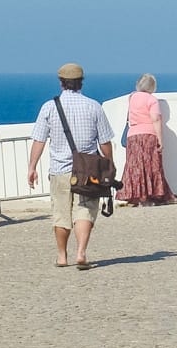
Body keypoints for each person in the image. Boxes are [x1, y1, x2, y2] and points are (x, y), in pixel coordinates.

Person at [27, 63, 114, 270]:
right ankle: (81, 252)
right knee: (84, 210)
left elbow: (39, 140)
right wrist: (109, 164)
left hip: (59, 169)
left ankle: (61, 256)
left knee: (61, 212)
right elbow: (105, 142)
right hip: (88, 170)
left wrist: (32, 167)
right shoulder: (94, 106)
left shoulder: (49, 107)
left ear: (61, 82)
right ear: (81, 82)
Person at [119, 73, 175, 206]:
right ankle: (153, 195)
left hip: (133, 135)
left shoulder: (131, 97)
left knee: (135, 165)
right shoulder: (152, 100)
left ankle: (138, 196)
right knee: (151, 165)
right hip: (148, 134)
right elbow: (155, 119)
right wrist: (160, 140)